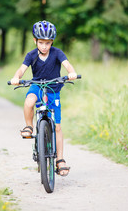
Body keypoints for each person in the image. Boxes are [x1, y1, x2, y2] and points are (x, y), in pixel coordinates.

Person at [10, 20, 78, 177]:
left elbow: (67, 65)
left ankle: (60, 160)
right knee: (29, 102)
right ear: (35, 41)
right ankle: (29, 126)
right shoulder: (31, 55)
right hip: (37, 87)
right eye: (41, 42)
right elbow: (21, 70)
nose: (44, 46)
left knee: (58, 127)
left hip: (53, 89)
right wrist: (16, 77)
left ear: (52, 42)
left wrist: (71, 73)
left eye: (48, 43)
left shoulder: (57, 53)